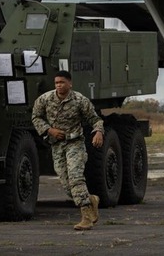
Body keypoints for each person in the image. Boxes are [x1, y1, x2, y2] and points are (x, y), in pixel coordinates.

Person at [31, 70, 104, 231]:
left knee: (76, 178)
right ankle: (90, 199)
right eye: (56, 83)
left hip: (75, 143)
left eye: (62, 82)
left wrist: (98, 132)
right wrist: (49, 130)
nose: (59, 85)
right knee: (67, 184)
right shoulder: (45, 99)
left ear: (70, 84)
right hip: (57, 145)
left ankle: (86, 217)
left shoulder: (79, 100)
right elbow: (35, 117)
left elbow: (95, 119)